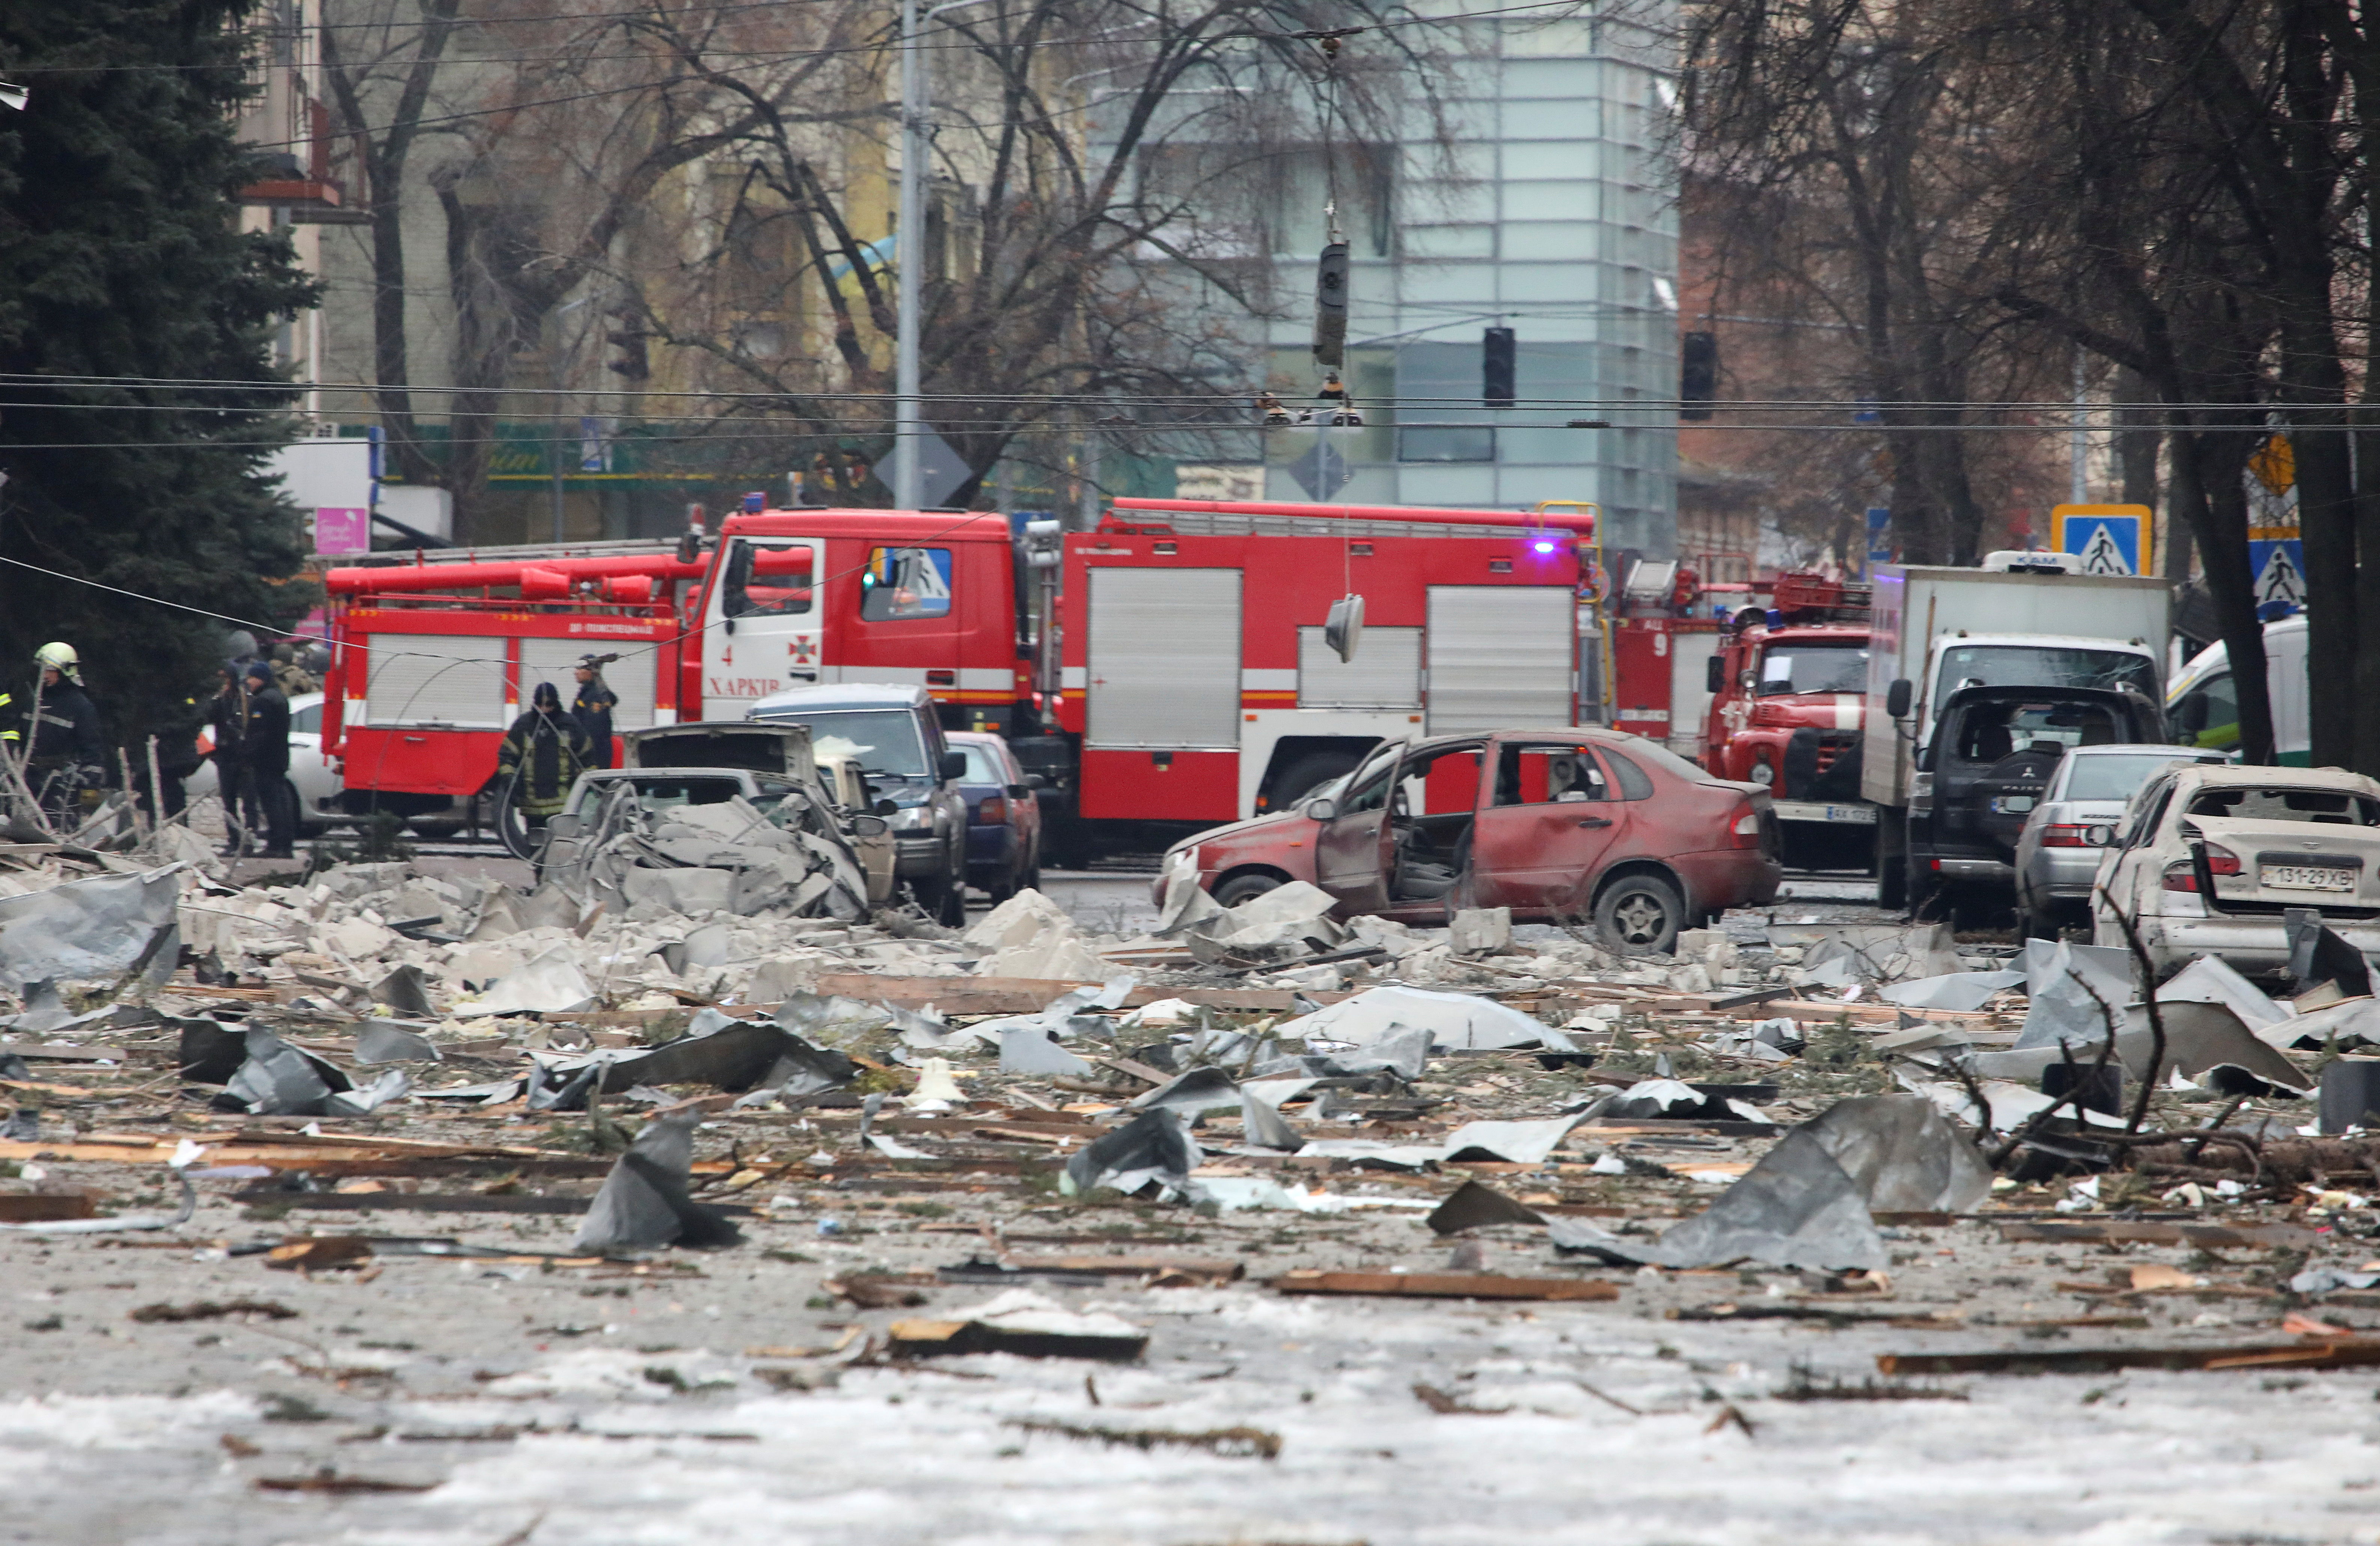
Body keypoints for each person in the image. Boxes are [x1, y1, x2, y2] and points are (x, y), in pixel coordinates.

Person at [19, 643, 107, 818]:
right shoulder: (30, 699)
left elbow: (93, 759)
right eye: (42, 669)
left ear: (65, 671)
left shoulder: (81, 707)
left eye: (50, 670)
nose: (44, 675)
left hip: (61, 789)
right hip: (25, 781)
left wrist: (88, 810)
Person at [496, 681, 591, 832]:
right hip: (531, 806)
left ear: (556, 704)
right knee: (535, 848)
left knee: (559, 847)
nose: (545, 711)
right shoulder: (524, 726)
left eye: (549, 706)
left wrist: (584, 791)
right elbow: (507, 757)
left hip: (563, 806)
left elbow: (588, 758)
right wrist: (510, 781)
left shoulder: (570, 725)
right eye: (541, 706)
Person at [241, 660, 295, 858]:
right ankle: (285, 845)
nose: (248, 682)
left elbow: (259, 733)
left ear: (261, 679)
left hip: (266, 760)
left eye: (251, 678)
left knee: (272, 803)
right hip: (279, 758)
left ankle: (276, 846)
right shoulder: (280, 697)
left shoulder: (263, 701)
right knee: (281, 801)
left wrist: (247, 754)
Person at [208, 664, 256, 856]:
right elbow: (209, 717)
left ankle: (249, 842)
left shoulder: (245, 699)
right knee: (228, 802)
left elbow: (248, 726)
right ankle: (234, 840)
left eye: (225, 678)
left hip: (244, 756)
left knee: (249, 802)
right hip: (225, 755)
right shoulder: (219, 700)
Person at [570, 655, 620, 770]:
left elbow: (593, 731)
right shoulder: (587, 693)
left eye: (579, 668)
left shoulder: (595, 696)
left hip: (593, 759)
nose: (575, 672)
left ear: (591, 671)